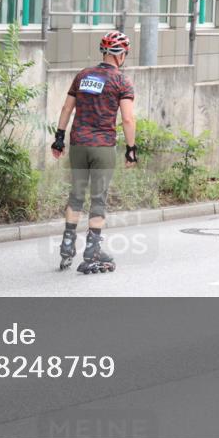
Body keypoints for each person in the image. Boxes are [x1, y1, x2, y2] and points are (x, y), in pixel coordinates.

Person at [51, 31, 138, 274]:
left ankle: (67, 245)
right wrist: (131, 149)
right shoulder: (121, 81)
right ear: (121, 55)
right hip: (102, 147)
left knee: (76, 194)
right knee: (98, 198)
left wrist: (59, 138)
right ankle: (92, 251)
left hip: (78, 143)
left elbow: (67, 107)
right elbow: (128, 119)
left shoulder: (83, 75)